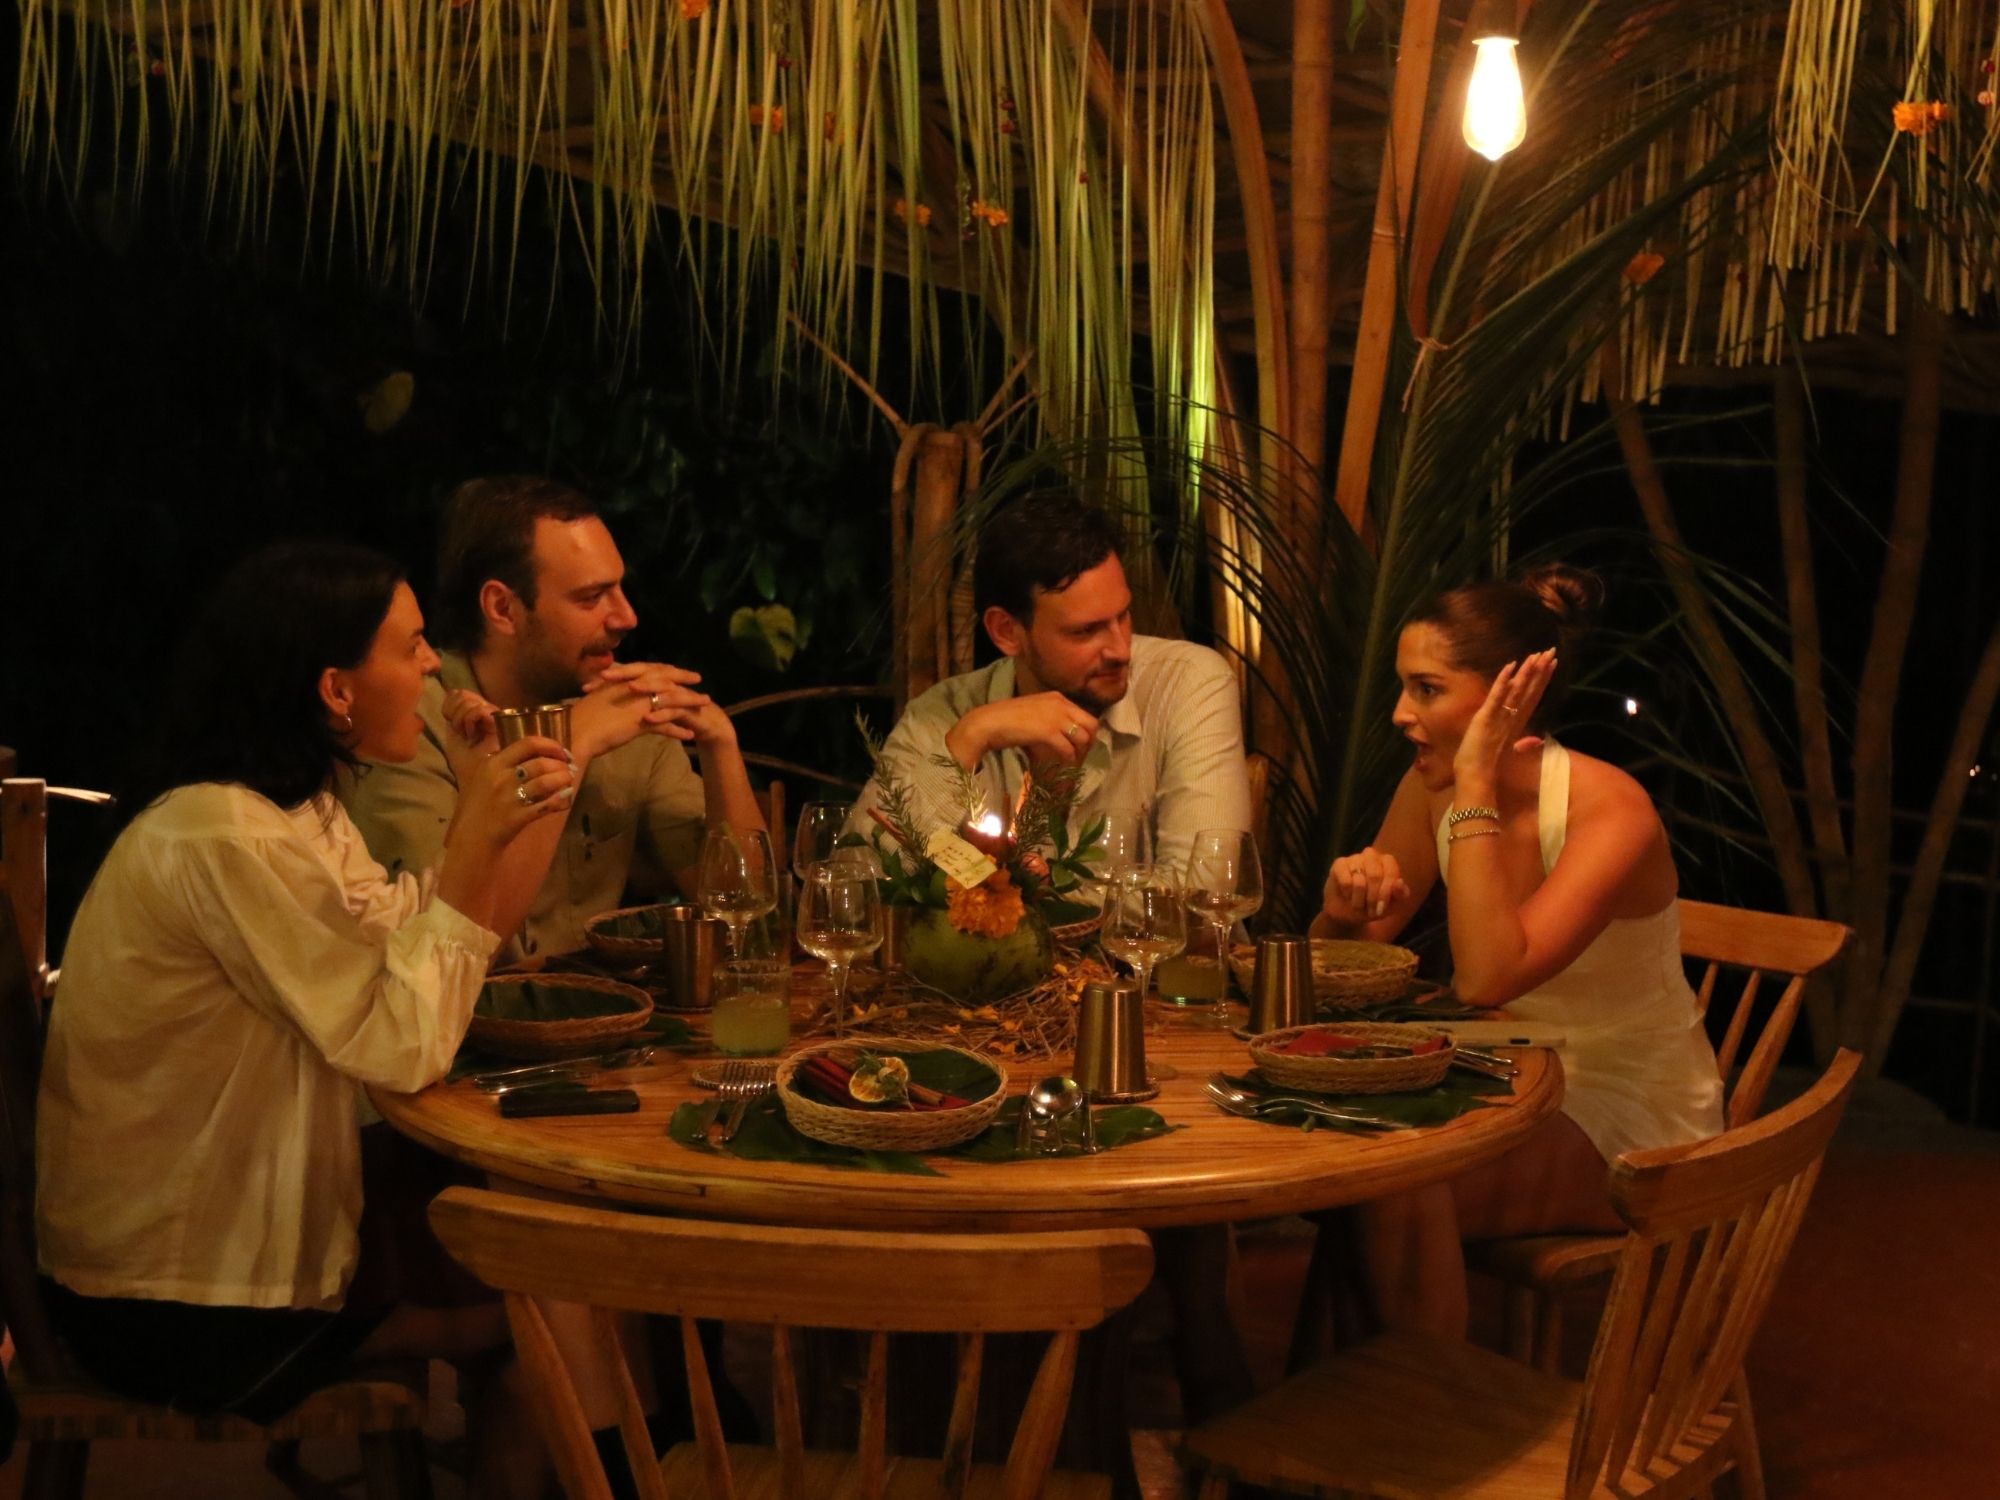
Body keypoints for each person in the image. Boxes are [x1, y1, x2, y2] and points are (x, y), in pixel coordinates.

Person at [36, 541, 572, 1496]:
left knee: (527, 1239)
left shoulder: (294, 812)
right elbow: (402, 1046)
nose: (434, 668)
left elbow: (401, 936)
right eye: (411, 646)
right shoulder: (223, 836)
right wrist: (480, 832)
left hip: (218, 1251)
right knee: (560, 1310)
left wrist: (479, 807)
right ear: (335, 688)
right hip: (175, 1300)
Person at [1314, 565, 1724, 1337]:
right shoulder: (1429, 788)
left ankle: (1426, 1405)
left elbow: (1486, 977)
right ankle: (1346, 1390)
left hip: (1628, 1106)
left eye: (1427, 689)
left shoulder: (1613, 810)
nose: (1399, 713)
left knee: (1392, 1183)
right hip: (1506, 1072)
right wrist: (1339, 917)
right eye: (1402, 687)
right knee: (1347, 1162)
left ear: (1512, 698)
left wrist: (1474, 783)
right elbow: (1336, 970)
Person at [343, 475, 765, 960]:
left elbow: (744, 918)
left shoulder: (623, 712)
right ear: (503, 608)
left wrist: (720, 745)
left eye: (619, 589)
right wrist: (572, 745)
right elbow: (438, 951)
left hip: (592, 1004)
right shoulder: (409, 724)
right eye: (591, 598)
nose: (626, 617)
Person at [851, 489, 1252, 886]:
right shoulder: (947, 712)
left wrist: (1018, 897)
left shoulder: (1188, 682)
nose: (1120, 649)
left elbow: (1205, 893)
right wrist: (973, 737)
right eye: (1086, 631)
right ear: (1006, 631)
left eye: (1123, 615)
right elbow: (857, 879)